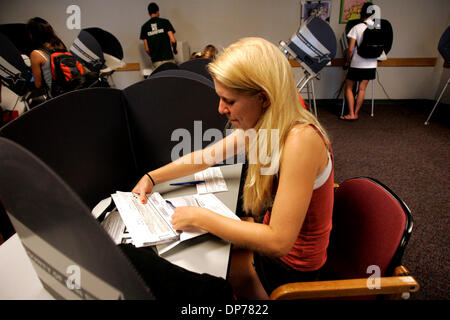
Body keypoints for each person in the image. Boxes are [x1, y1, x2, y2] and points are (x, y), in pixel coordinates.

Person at [132, 37, 334, 299]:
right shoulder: (266, 122)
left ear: (263, 98)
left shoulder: (301, 141)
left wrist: (199, 217)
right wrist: (151, 177)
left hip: (288, 276)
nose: (221, 108)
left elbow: (278, 242)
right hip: (268, 258)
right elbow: (206, 156)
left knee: (192, 286)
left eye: (229, 100)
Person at [341, 2, 378, 121]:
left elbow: (350, 49)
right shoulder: (377, 28)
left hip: (357, 63)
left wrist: (347, 61)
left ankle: (351, 113)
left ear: (362, 13)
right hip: (371, 63)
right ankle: (356, 113)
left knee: (349, 87)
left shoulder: (357, 28)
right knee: (362, 89)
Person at [26, 17, 67, 97]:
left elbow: (38, 84)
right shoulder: (60, 45)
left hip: (56, 97)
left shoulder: (36, 54)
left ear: (33, 34)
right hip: (70, 90)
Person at [140, 2, 177, 69]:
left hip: (156, 61)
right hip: (168, 58)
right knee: (171, 78)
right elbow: (173, 40)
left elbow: (147, 49)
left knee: (160, 79)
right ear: (158, 11)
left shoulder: (144, 27)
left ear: (148, 13)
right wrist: (174, 50)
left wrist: (154, 56)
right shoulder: (165, 22)